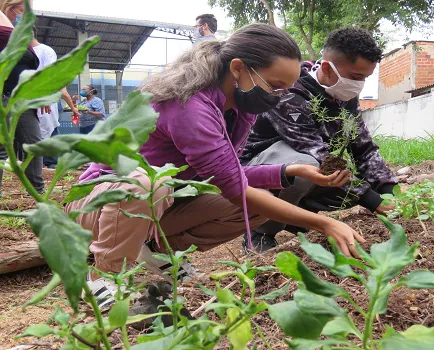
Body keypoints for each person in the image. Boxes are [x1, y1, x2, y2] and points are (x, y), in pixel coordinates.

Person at [65, 24, 364, 309]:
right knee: (149, 183)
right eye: (274, 86)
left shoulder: (237, 108)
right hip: (99, 204)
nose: (279, 96)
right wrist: (325, 223)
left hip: (160, 201)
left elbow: (227, 174)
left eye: (285, 89)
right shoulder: (189, 105)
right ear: (237, 68)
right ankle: (104, 277)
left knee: (262, 203)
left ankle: (154, 252)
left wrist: (289, 172)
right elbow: (236, 189)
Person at [240, 28, 397, 252]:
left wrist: (387, 189)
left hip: (305, 168)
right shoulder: (289, 92)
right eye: (355, 77)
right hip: (259, 170)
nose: (359, 85)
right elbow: (318, 154)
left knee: (352, 191)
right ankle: (260, 231)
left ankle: (295, 219)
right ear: (326, 67)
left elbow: (363, 146)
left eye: (365, 78)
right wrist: (371, 200)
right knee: (311, 167)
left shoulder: (345, 98)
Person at [0, 0, 44, 194]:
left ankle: (39, 193)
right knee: (1, 149)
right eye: (21, 11)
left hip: (22, 98)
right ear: (8, 6)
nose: (24, 16)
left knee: (34, 145)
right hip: (3, 95)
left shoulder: (20, 33)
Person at [31, 29, 80, 168]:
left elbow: (60, 88)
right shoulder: (23, 52)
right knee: (43, 134)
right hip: (31, 103)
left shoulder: (45, 51)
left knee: (49, 131)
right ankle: (45, 164)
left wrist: (73, 108)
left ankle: (50, 164)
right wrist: (74, 109)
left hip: (46, 104)